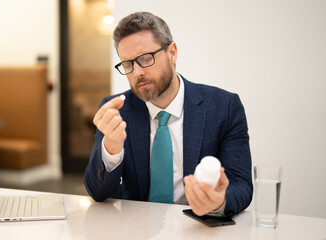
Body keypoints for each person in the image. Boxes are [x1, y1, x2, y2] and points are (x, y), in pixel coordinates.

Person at [84, 11, 252, 217]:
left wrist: (218, 202)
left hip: (197, 227)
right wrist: (111, 147)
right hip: (136, 230)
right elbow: (98, 193)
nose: (137, 72)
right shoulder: (117, 110)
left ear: (172, 53)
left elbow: (241, 184)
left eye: (145, 58)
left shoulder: (224, 107)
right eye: (127, 64)